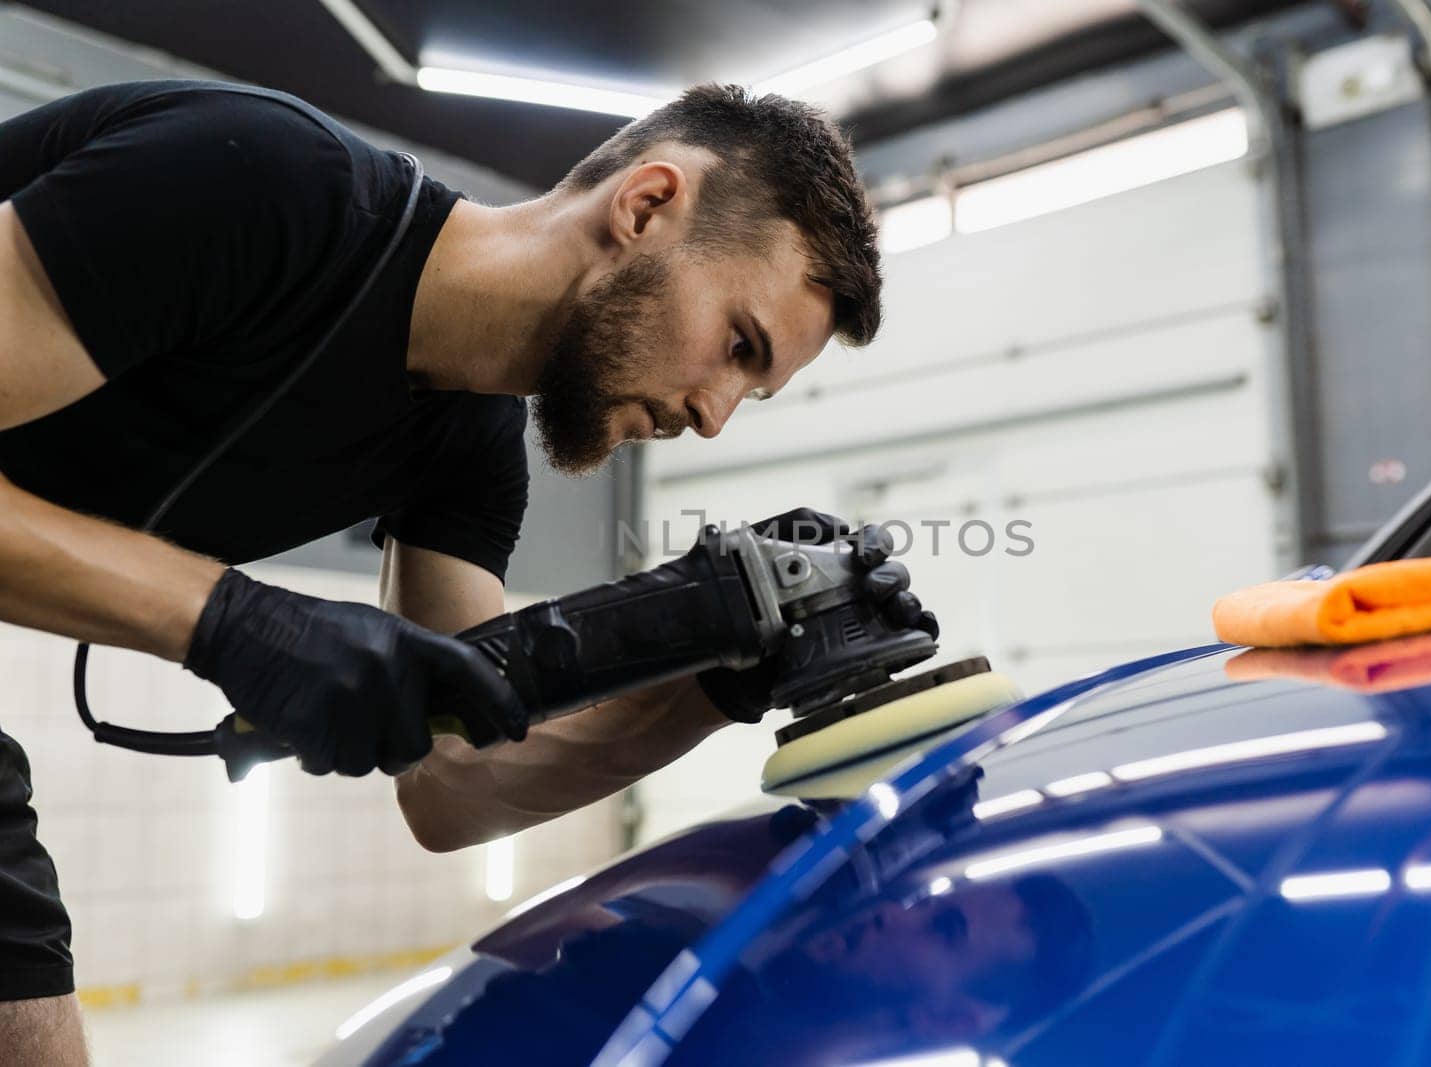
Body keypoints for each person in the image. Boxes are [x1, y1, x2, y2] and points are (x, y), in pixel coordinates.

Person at [0, 78, 909, 1063]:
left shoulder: (468, 450)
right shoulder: (262, 185)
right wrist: (229, 618)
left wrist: (713, 677)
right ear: (646, 205)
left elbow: (456, 785)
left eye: (753, 389)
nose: (714, 415)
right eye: (737, 344)